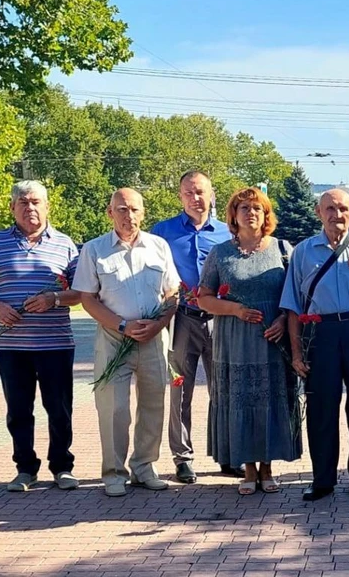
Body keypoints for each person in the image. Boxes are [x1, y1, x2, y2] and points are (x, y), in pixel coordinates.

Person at [281, 189, 349, 501]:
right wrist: (297, 352)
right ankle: (322, 479)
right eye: (329, 208)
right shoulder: (303, 252)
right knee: (321, 409)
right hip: (321, 334)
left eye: (343, 208)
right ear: (319, 213)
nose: (336, 214)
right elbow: (292, 305)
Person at [0, 181, 82, 492]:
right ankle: (25, 469)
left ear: (47, 207)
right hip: (13, 345)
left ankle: (62, 467)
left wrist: (54, 299)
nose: (29, 207)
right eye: (22, 202)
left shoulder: (65, 244)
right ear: (12, 208)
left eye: (36, 202)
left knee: (59, 408)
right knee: (18, 409)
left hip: (56, 344)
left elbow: (80, 293)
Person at [73, 189, 180, 497]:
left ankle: (144, 467)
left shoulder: (158, 246)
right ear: (110, 213)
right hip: (113, 337)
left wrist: (158, 324)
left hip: (153, 337)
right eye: (121, 209)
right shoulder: (94, 250)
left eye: (134, 209)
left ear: (143, 213)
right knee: (115, 409)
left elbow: (173, 294)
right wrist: (122, 325)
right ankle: (114, 472)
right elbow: (87, 299)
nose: (128, 215)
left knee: (153, 406)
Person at [196, 187, 302, 495]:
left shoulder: (283, 249)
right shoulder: (220, 253)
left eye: (257, 208)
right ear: (233, 215)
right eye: (244, 208)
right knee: (240, 399)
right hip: (234, 340)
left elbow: (296, 296)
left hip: (274, 338)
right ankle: (248, 469)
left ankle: (268, 467)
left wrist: (283, 320)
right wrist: (235, 309)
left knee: (269, 399)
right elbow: (203, 298)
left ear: (266, 214)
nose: (251, 213)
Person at [150, 170, 237, 484]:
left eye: (201, 192)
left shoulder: (229, 232)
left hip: (221, 322)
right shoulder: (162, 232)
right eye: (189, 192)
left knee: (224, 389)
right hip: (182, 318)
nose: (195, 198)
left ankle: (228, 454)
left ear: (212, 194)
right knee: (180, 391)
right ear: (180, 196)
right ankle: (182, 458)